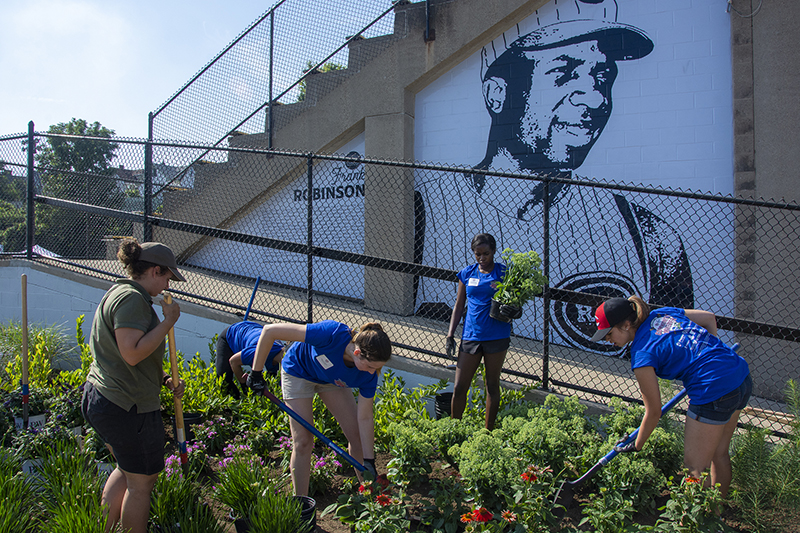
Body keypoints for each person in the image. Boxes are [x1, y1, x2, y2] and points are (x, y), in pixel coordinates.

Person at [414, 0, 694, 355]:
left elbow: (674, 344)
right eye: (565, 73)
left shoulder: (650, 234)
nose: (595, 99)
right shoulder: (424, 208)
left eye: (603, 78)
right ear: (497, 94)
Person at [591, 296, 751, 497]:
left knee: (694, 469)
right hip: (739, 374)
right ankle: (715, 519)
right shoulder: (661, 314)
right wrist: (711, 356)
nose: (608, 340)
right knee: (719, 454)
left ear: (626, 324)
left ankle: (694, 526)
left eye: (609, 333)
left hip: (712, 391)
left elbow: (654, 411)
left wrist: (637, 444)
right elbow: (709, 318)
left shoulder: (642, 354)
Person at [81, 239, 186, 533]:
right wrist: (168, 322)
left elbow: (128, 355)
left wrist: (163, 379)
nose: (168, 284)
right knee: (142, 482)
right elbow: (131, 352)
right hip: (126, 406)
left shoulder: (120, 292)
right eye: (167, 276)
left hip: (109, 398)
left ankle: (106, 527)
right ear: (154, 270)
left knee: (127, 470)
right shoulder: (132, 300)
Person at [246, 320, 391, 495]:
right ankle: (301, 505)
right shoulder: (331, 334)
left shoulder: (369, 375)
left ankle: (370, 496)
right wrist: (256, 373)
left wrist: (369, 460)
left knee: (357, 438)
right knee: (303, 442)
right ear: (357, 352)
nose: (371, 372)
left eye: (376, 368)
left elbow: (365, 418)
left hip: (330, 379)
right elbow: (270, 331)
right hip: (298, 372)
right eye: (369, 366)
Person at [445, 233, 510, 430]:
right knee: (459, 387)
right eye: (478, 254)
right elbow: (459, 305)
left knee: (492, 385)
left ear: (494, 251)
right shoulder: (467, 273)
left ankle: (487, 432)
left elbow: (515, 301)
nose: (482, 258)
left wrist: (514, 310)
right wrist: (450, 334)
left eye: (486, 253)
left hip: (496, 335)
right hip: (471, 336)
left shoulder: (504, 272)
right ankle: (455, 431)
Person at [215, 320, 285, 399]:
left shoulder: (283, 363)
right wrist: (244, 385)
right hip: (233, 333)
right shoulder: (259, 351)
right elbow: (233, 361)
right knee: (224, 381)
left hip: (253, 330)